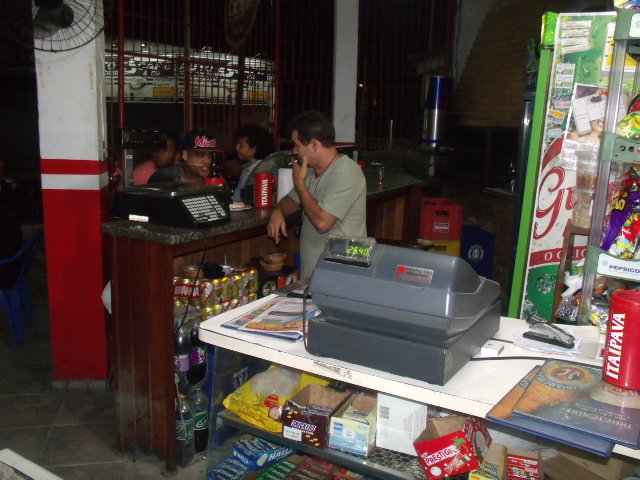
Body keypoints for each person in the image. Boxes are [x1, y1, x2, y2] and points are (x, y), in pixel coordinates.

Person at [267, 110, 367, 279]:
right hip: (316, 275)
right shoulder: (312, 171)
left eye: (297, 145)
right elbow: (290, 202)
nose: (294, 151)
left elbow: (322, 223)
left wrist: (299, 184)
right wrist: (277, 211)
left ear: (314, 145)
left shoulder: (347, 171)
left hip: (342, 275)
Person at [148, 129, 216, 184]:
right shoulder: (164, 178)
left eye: (210, 154)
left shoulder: (216, 179)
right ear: (185, 155)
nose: (208, 161)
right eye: (200, 155)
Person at [231, 124, 275, 202]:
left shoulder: (251, 171)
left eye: (240, 145)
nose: (236, 148)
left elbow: (238, 199)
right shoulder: (268, 165)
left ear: (253, 149)